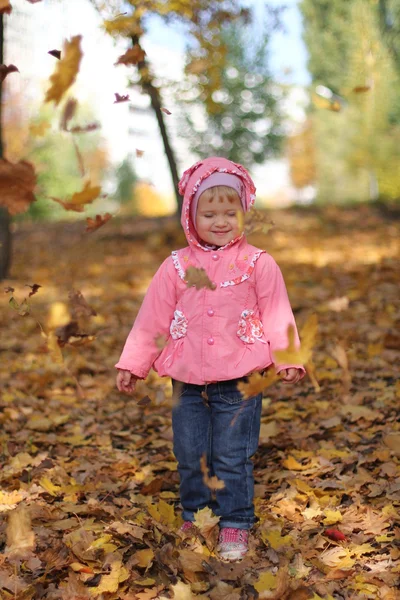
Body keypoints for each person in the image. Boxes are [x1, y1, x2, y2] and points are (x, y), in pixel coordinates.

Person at [116, 156, 304, 561]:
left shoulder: (258, 264)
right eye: (210, 212)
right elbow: (152, 318)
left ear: (244, 213)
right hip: (185, 381)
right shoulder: (175, 266)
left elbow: (277, 312)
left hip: (239, 379)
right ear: (190, 215)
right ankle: (196, 514)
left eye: (230, 212)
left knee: (232, 456)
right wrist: (134, 362)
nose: (221, 221)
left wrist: (287, 357)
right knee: (190, 454)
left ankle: (235, 522)